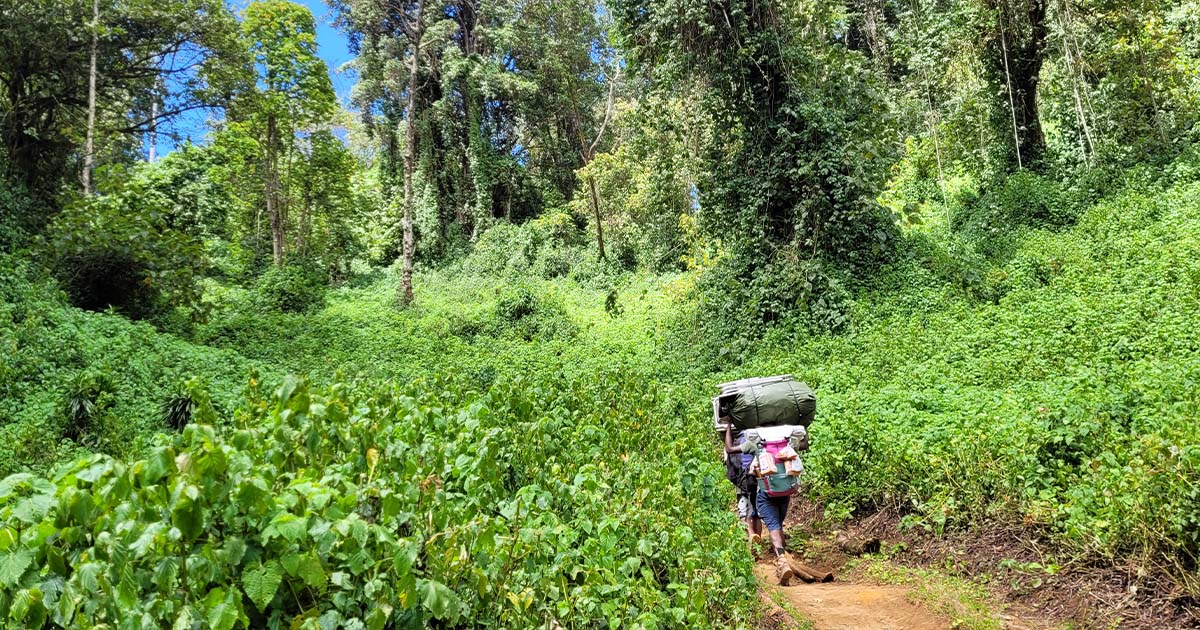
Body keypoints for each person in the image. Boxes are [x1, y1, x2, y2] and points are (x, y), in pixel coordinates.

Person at [726, 422, 799, 585]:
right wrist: (802, 424)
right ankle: (783, 568)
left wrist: (728, 426)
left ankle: (781, 560)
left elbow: (730, 449)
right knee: (778, 525)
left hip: (766, 493)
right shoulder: (788, 440)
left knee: (773, 528)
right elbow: (805, 443)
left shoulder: (756, 442)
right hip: (785, 490)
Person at [721, 421, 763, 551]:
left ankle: (751, 536)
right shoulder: (760, 437)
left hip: (742, 476)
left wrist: (728, 426)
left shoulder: (740, 439)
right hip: (758, 476)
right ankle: (758, 542)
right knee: (756, 510)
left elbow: (729, 450)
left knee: (745, 510)